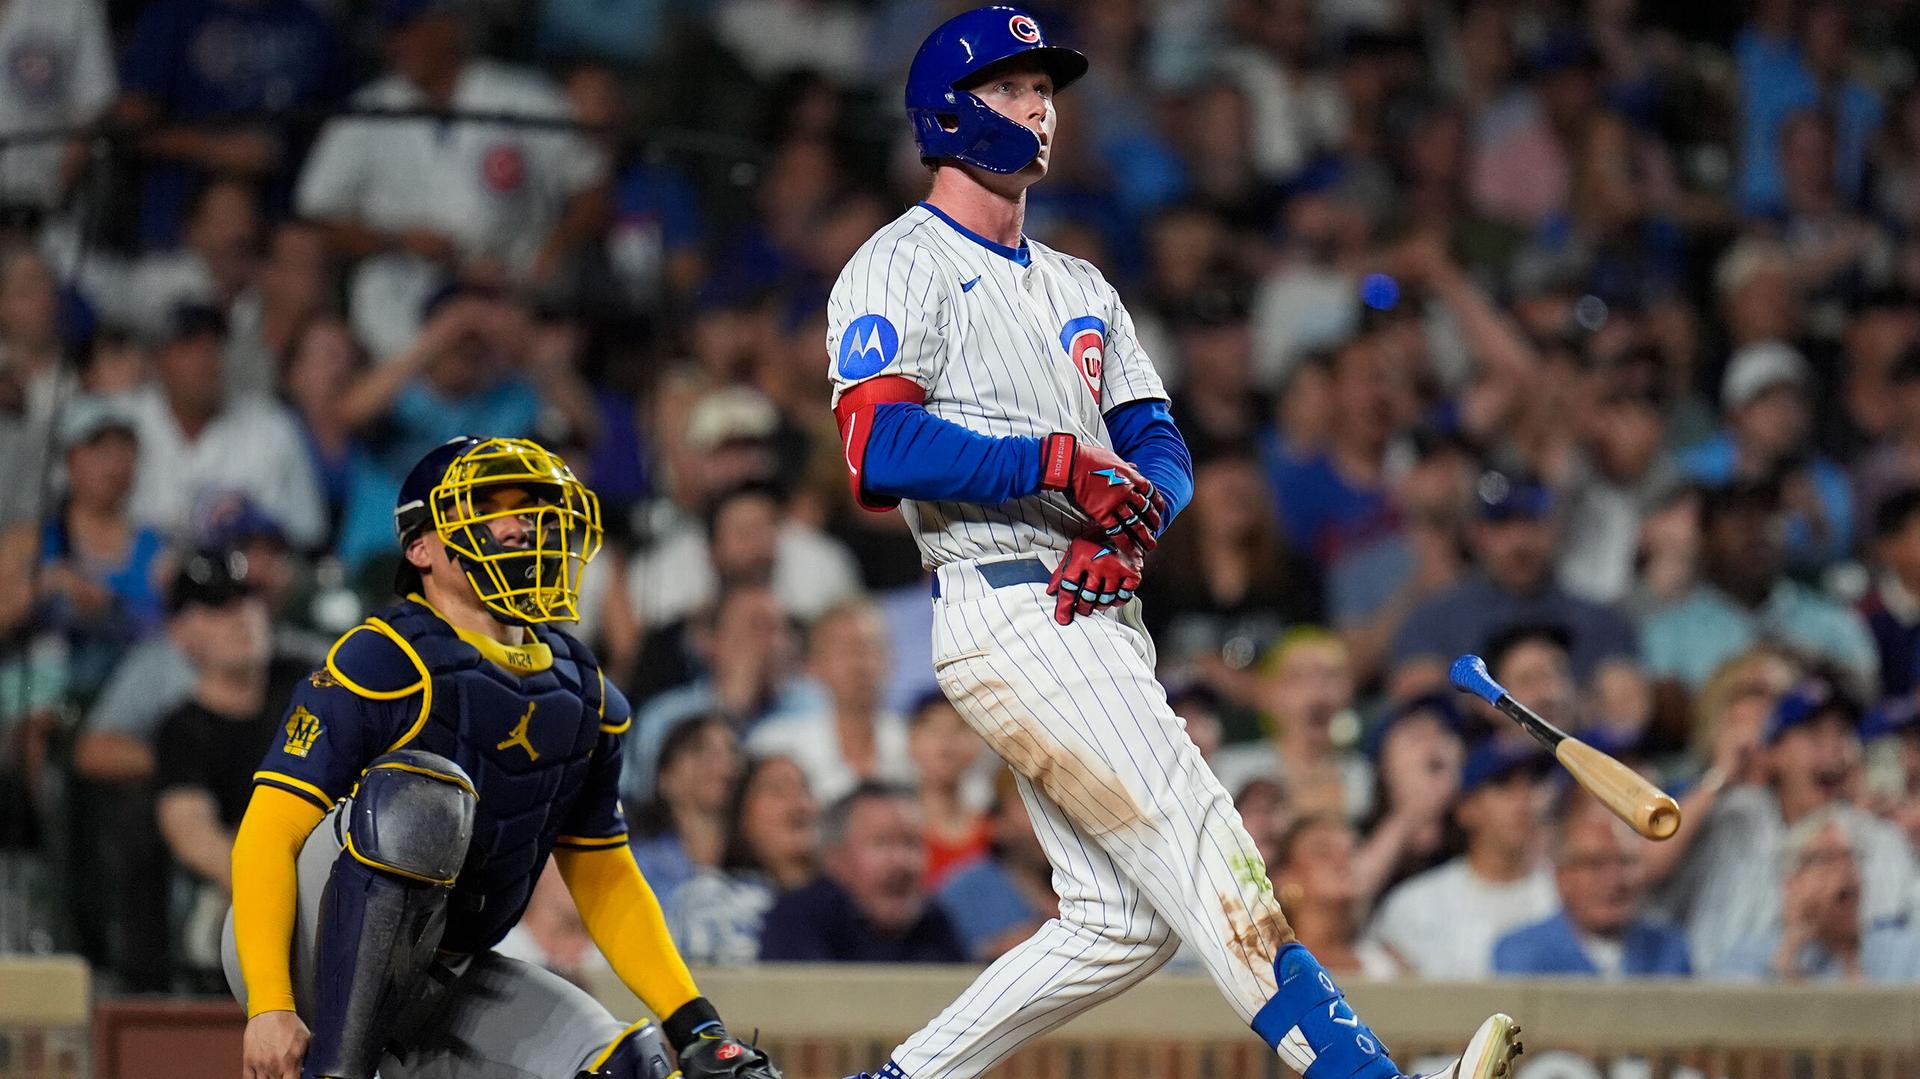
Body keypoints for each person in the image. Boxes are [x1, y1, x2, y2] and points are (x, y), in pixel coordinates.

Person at [824, 9, 1520, 1079]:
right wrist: (1057, 467)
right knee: (1212, 849)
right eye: (1012, 89)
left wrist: (1138, 519)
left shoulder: (1078, 282)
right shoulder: (898, 263)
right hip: (1008, 595)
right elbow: (879, 443)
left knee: (1122, 921)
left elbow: (1157, 440)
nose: (1038, 107)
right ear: (949, 112)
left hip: (1092, 603)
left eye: (1044, 90)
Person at [222, 436, 779, 1079]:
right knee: (420, 802)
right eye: (489, 507)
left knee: (639, 1066)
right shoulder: (381, 659)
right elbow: (265, 834)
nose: (520, 525)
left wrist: (695, 1025)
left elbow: (605, 874)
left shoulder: (584, 692)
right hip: (305, 947)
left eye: (534, 505)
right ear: (421, 548)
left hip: (447, 967)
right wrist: (269, 1004)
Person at [294, 0, 610, 358]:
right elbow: (314, 217)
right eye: (391, 33)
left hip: (511, 288)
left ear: (448, 27)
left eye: (408, 29)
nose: (397, 44)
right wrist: (398, 240)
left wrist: (556, 249)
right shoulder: (368, 111)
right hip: (404, 299)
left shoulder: (521, 96)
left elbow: (592, 186)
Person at [152, 551, 310, 985]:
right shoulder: (183, 729)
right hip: (248, 895)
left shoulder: (308, 684)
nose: (242, 617)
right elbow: (191, 835)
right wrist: (273, 889)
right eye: (219, 607)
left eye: (247, 600)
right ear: (181, 633)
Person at [1369, 741, 1559, 979]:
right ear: (1466, 809)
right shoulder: (1415, 904)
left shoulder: (1570, 895)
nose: (1524, 801)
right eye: (1503, 786)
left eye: (1534, 783)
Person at [758, 782, 967, 964]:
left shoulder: (936, 923)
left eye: (911, 844)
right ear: (835, 858)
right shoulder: (796, 921)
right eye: (882, 842)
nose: (900, 861)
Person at [1713, 808, 1920, 983]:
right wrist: (1788, 954)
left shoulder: (1902, 951)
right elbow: (1728, 1021)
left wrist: (1849, 958)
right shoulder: (1751, 955)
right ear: (1792, 883)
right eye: (1826, 859)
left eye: (1850, 857)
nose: (1845, 870)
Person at [1491, 802, 1692, 978]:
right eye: (1595, 864)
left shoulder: (1668, 950)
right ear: (1562, 878)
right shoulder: (1522, 952)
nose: (1614, 880)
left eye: (1626, 862)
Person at [746, 600, 915, 806]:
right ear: (813, 665)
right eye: (845, 650)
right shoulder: (775, 745)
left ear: (891, 660)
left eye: (868, 647)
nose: (859, 663)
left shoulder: (916, 743)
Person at [668, 754, 821, 966]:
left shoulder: (850, 903)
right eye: (778, 790)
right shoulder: (707, 902)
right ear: (742, 817)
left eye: (804, 789)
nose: (799, 804)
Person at [627, 717, 745, 924]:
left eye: (731, 750)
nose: (722, 761)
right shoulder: (638, 864)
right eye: (699, 749)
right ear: (665, 777)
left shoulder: (756, 866)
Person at [936, 771, 1058, 961]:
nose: (1049, 820)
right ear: (997, 823)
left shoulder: (1090, 883)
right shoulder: (964, 890)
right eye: (1032, 804)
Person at [1270, 815, 1401, 979]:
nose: (1342, 861)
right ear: (1284, 877)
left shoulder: (1386, 964)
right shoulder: (1263, 966)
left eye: (1350, 851)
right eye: (1322, 852)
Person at [905, 692, 991, 887]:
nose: (946, 743)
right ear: (911, 742)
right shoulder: (900, 835)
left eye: (958, 729)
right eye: (934, 729)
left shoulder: (997, 832)